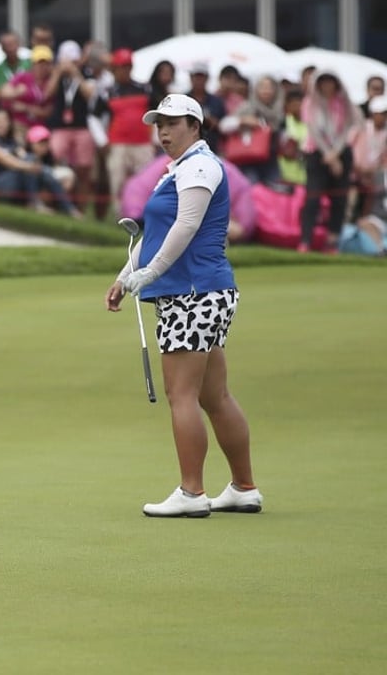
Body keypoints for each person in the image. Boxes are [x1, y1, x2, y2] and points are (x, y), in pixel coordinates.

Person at [104, 94, 262, 518]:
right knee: (214, 395)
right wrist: (125, 276)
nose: (164, 132)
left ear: (195, 126)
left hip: (192, 293)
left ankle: (192, 493)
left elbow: (186, 226)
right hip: (199, 292)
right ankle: (243, 488)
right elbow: (155, 235)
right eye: (160, 125)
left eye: (173, 123)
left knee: (182, 395)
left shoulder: (201, 166)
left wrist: (149, 274)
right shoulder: (177, 170)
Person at [299, 68, 361, 252]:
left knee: (339, 199)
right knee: (313, 198)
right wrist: (329, 155)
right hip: (316, 153)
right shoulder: (310, 102)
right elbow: (314, 131)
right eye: (323, 82)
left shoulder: (344, 103)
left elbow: (349, 128)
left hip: (341, 153)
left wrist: (335, 154)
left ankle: (333, 241)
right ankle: (306, 240)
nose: (327, 86)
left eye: (330, 81)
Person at [0, 109, 77, 215]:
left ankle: (69, 209)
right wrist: (29, 166)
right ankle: (36, 203)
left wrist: (34, 166)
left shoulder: (11, 142)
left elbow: (24, 155)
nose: (1, 123)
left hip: (20, 177)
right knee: (35, 167)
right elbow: (5, 160)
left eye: (5, 120)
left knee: (37, 165)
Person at [46, 40, 97, 213]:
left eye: (73, 61)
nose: (70, 65)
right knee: (57, 165)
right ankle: (60, 206)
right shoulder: (56, 75)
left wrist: (76, 74)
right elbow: (47, 94)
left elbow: (90, 95)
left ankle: (80, 210)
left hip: (82, 128)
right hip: (60, 128)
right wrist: (57, 73)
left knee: (83, 170)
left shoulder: (86, 74)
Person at [102, 48, 153, 213]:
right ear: (114, 69)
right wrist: (102, 140)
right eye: (121, 67)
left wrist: (155, 138)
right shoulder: (108, 91)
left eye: (127, 66)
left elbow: (156, 114)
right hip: (118, 143)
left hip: (143, 143)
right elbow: (95, 116)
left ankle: (142, 214)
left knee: (145, 181)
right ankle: (119, 216)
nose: (124, 70)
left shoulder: (144, 89)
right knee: (117, 182)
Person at [218, 74, 284, 184]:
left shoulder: (279, 111)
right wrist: (243, 121)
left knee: (273, 192)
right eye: (262, 87)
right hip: (248, 159)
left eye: (269, 87)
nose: (266, 91)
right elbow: (223, 126)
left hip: (270, 160)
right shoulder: (247, 107)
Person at [7, 45, 55, 143]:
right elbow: (7, 98)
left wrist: (26, 108)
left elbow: (48, 111)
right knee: (19, 143)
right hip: (21, 123)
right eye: (39, 63)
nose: (42, 67)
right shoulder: (22, 77)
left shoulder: (51, 82)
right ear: (32, 64)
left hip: (41, 125)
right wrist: (16, 93)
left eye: (46, 64)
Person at [186, 62, 226, 153]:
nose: (199, 80)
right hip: (187, 149)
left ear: (207, 78)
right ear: (191, 78)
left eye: (201, 76)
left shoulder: (217, 101)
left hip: (213, 148)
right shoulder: (184, 100)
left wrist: (213, 122)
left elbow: (224, 125)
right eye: (196, 76)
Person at [278, 88, 307, 186]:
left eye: (299, 103)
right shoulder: (282, 123)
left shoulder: (312, 123)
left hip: (307, 169)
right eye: (292, 103)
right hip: (286, 171)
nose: (296, 107)